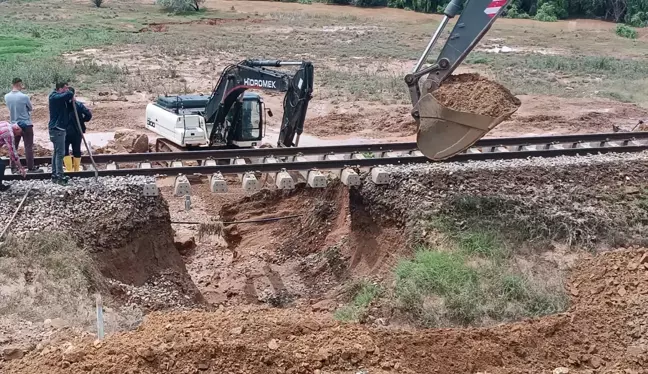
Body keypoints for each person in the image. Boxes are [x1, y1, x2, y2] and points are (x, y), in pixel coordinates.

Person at [4, 78, 42, 174]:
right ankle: (31, 167)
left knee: (13, 146)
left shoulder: (6, 96)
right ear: (19, 84)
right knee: (28, 146)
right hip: (26, 124)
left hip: (13, 125)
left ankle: (13, 167)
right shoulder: (24, 97)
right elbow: (30, 108)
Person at [48, 81, 74, 185]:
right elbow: (69, 93)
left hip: (58, 128)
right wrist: (71, 92)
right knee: (60, 153)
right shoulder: (54, 97)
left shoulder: (60, 99)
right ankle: (59, 176)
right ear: (60, 88)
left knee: (56, 152)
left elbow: (69, 108)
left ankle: (55, 175)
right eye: (65, 88)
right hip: (57, 129)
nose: (67, 90)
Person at [64, 87, 92, 172]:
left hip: (65, 132)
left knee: (65, 150)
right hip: (77, 131)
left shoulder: (63, 105)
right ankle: (76, 170)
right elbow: (88, 115)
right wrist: (82, 120)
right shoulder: (79, 105)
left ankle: (69, 170)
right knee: (77, 150)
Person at [0, 121, 27, 191]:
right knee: (1, 165)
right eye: (20, 133)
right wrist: (20, 167)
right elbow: (13, 153)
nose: (19, 135)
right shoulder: (9, 134)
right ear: (17, 128)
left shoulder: (6, 123)